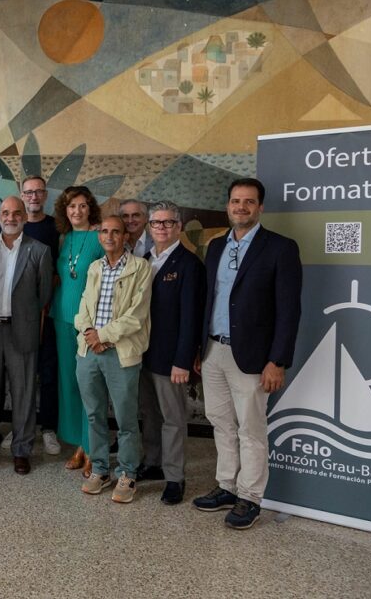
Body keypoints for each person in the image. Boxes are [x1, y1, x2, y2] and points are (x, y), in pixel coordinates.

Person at [193, 178, 302, 529]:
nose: (241, 207)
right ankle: (226, 486)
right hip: (213, 350)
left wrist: (278, 360)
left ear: (260, 207)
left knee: (251, 429)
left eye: (249, 202)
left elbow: (289, 310)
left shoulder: (280, 248)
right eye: (236, 201)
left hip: (254, 357)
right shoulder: (215, 247)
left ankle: (250, 497)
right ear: (228, 205)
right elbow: (207, 301)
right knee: (221, 422)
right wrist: (198, 348)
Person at [0, 197, 53, 475]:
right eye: (5, 213)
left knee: (24, 393)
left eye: (16, 213)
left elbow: (43, 295)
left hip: (23, 331)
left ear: (24, 218)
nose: (10, 217)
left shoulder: (39, 251)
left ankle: (22, 449)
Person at [74, 215, 151, 502]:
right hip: (88, 351)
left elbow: (137, 315)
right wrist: (89, 332)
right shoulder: (95, 267)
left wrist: (103, 335)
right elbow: (83, 307)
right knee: (93, 413)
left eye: (116, 232)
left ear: (125, 237)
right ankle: (101, 469)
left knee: (125, 418)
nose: (109, 236)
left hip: (120, 352)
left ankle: (128, 474)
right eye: (104, 231)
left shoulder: (140, 268)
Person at [138, 201, 205, 505]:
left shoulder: (189, 265)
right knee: (150, 414)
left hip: (170, 359)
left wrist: (183, 361)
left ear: (178, 226)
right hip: (141, 354)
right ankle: (153, 462)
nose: (161, 228)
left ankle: (175, 477)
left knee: (173, 419)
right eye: (156, 223)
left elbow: (192, 318)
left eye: (168, 223)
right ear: (148, 227)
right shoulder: (142, 259)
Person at [49, 186, 104, 475]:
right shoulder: (64, 238)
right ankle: (77, 444)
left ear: (90, 208)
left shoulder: (99, 238)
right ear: (65, 210)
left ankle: (92, 447)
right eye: (72, 206)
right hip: (61, 318)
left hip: (88, 324)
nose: (77, 211)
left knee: (90, 387)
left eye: (82, 206)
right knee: (68, 383)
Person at [20, 175, 61, 455]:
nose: (33, 196)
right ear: (22, 195)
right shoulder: (13, 226)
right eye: (28, 192)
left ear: (45, 196)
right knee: (21, 373)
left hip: (48, 312)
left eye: (38, 192)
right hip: (18, 315)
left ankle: (49, 428)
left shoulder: (57, 228)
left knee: (48, 372)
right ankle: (22, 425)